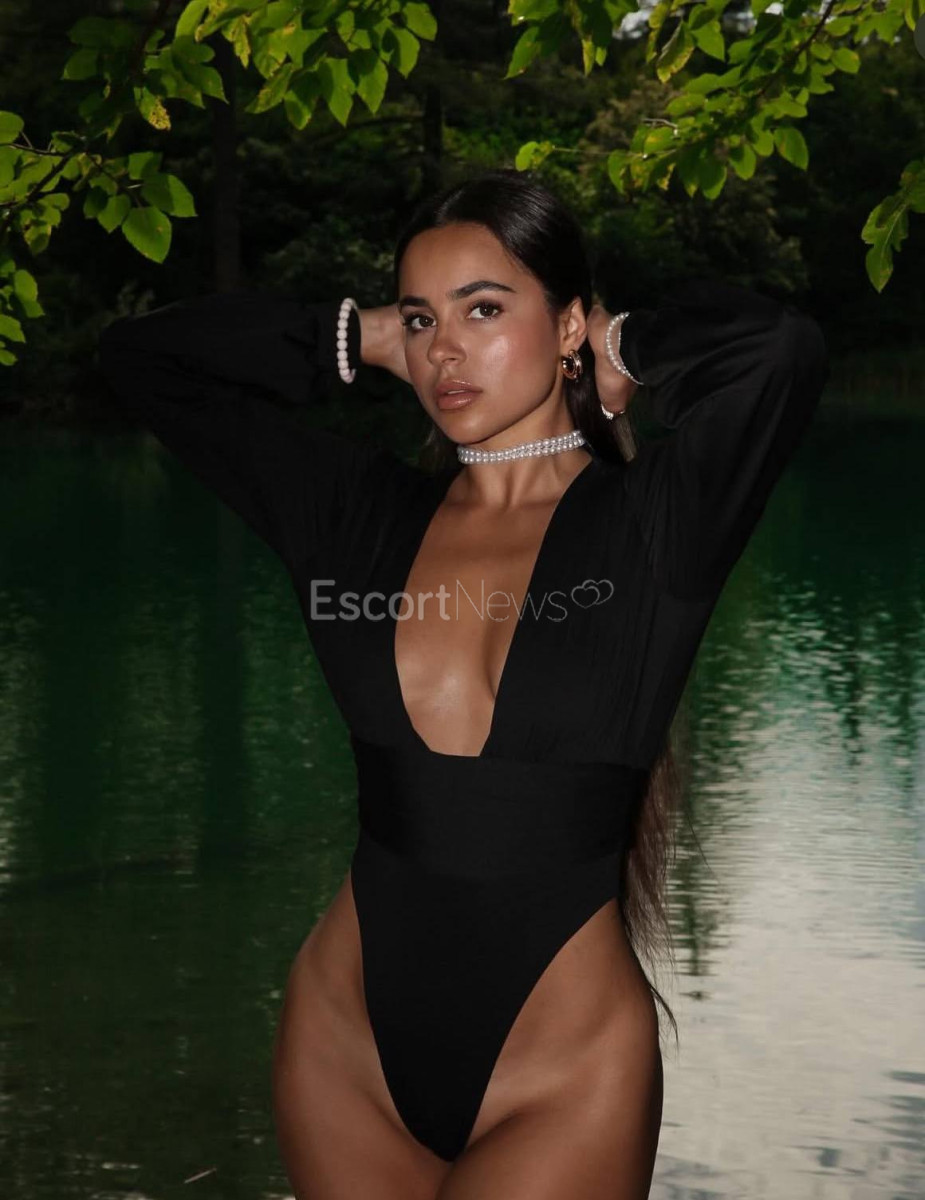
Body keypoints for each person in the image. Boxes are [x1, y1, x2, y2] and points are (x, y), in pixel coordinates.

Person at [98, 168, 829, 1200]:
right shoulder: (355, 518)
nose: (444, 350)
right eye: (421, 318)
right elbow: (141, 360)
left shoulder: (658, 527)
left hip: (564, 1074)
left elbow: (779, 350)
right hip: (345, 1049)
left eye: (483, 310)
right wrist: (357, 338)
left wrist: (623, 350)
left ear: (565, 323)